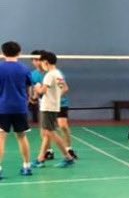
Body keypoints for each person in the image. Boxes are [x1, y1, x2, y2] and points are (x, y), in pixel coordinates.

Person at [32, 52, 75, 168]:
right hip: (53, 106)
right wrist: (56, 97)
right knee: (47, 133)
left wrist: (37, 87)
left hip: (48, 107)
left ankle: (68, 157)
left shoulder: (49, 75)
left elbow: (42, 91)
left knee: (50, 132)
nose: (40, 65)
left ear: (46, 62)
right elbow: (65, 88)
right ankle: (40, 159)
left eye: (41, 62)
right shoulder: (58, 73)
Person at [0, 41, 35, 178]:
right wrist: (30, 98)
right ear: (19, 53)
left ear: (3, 53)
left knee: (1, 138)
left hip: (2, 108)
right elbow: (30, 87)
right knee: (22, 137)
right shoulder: (24, 69)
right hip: (20, 108)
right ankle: (27, 166)